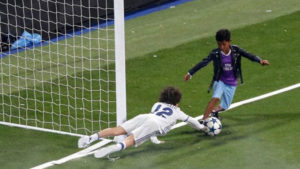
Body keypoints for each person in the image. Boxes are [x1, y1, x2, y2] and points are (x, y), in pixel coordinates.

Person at [78, 86, 207, 158]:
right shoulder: (178, 112)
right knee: (132, 138)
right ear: (176, 102)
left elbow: (151, 122)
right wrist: (203, 128)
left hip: (145, 117)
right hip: (155, 124)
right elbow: (191, 121)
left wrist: (154, 139)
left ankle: (90, 137)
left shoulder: (157, 104)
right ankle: (114, 148)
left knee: (118, 130)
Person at [184, 29, 269, 120]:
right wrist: (190, 73)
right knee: (215, 98)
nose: (221, 47)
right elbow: (203, 62)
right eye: (219, 44)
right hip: (220, 80)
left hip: (232, 83)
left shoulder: (236, 50)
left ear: (229, 42)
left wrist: (260, 61)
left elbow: (249, 55)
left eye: (223, 44)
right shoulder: (215, 53)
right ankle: (203, 121)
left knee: (225, 106)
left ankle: (214, 112)